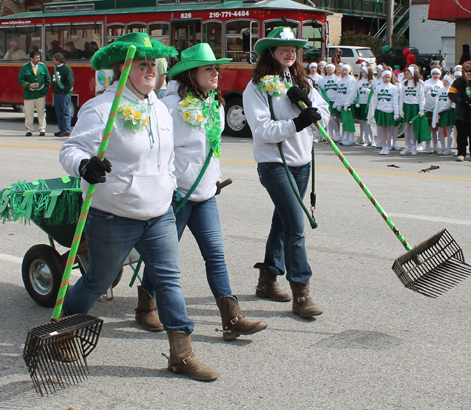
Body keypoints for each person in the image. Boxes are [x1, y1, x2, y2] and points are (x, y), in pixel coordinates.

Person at [59, 32, 219, 382]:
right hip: (114, 215)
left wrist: (172, 187)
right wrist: (85, 166)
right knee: (98, 280)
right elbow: (70, 150)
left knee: (169, 280)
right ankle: (65, 327)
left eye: (153, 64)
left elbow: (169, 158)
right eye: (141, 64)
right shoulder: (101, 107)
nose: (149, 70)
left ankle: (182, 353)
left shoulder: (159, 106)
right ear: (122, 68)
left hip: (159, 213)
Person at [137, 43, 267, 340]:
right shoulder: (170, 108)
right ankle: (145, 307)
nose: (216, 73)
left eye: (216, 67)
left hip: (205, 195)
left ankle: (232, 319)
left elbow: (212, 150)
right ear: (191, 74)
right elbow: (159, 153)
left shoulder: (216, 105)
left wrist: (213, 179)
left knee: (216, 256)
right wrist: (170, 186)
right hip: (178, 197)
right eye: (209, 68)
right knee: (164, 260)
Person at [242, 27, 330, 318]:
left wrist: (311, 109)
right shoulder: (255, 88)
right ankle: (301, 292)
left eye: (293, 48)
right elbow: (263, 130)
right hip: (274, 164)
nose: (290, 52)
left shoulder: (303, 81)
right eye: (283, 47)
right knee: (296, 227)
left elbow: (324, 111)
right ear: (271, 52)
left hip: (302, 163)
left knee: (282, 223)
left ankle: (267, 278)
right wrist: (298, 122)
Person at [17, 51, 51, 136]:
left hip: (40, 93)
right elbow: (20, 80)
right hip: (29, 93)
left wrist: (44, 91)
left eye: (39, 58)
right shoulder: (25, 67)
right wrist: (29, 85)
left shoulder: (43, 67)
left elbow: (48, 80)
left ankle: (42, 129)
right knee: (29, 113)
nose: (38, 60)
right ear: (31, 58)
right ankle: (29, 130)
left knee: (41, 112)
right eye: (36, 58)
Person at [368, 70, 399, 155]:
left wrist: (396, 113)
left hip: (389, 111)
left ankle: (388, 146)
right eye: (385, 77)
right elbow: (375, 100)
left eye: (388, 77)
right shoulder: (378, 87)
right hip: (380, 110)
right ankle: (383, 146)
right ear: (382, 78)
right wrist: (373, 111)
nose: (387, 79)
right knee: (382, 130)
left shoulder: (393, 88)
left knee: (388, 130)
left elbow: (395, 101)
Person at [448, 61, 471, 161]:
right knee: (461, 135)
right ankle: (461, 153)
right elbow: (451, 94)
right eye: (466, 70)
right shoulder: (459, 81)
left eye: (470, 70)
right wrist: (460, 101)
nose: (468, 73)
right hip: (461, 112)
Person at [399, 65, 426, 156]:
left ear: (413, 74)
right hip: (407, 107)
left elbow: (422, 98)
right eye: (406, 73)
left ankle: (414, 147)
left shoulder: (419, 84)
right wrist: (401, 109)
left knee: (414, 128)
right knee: (406, 128)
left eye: (408, 73)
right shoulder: (404, 84)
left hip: (415, 107)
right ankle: (407, 147)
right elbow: (401, 97)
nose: (406, 75)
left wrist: (421, 109)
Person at [333, 64, 358, 145]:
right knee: (345, 122)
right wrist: (338, 103)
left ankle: (351, 139)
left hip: (349, 105)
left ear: (349, 71)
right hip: (343, 105)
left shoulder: (351, 80)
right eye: (343, 70)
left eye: (346, 70)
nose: (344, 72)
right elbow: (339, 93)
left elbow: (351, 93)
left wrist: (347, 103)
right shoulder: (341, 81)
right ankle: (346, 137)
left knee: (349, 122)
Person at [52, 53, 74, 137]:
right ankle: (61, 129)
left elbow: (70, 81)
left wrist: (65, 91)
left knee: (66, 112)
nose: (52, 61)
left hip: (63, 93)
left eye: (54, 59)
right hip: (57, 93)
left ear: (58, 60)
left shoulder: (66, 69)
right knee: (59, 112)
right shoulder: (54, 68)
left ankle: (66, 130)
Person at [432, 74, 455, 155]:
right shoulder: (440, 90)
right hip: (439, 112)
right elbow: (437, 101)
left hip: (447, 112)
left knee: (449, 131)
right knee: (440, 131)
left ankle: (449, 148)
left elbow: (448, 103)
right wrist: (436, 110)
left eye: (447, 81)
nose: (445, 82)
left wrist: (440, 110)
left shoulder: (451, 90)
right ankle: (443, 147)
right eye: (444, 80)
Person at [318, 63, 341, 141]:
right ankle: (331, 135)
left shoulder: (337, 79)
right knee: (330, 119)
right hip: (327, 101)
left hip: (335, 101)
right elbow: (321, 91)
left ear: (334, 70)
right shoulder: (323, 80)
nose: (330, 72)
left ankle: (337, 134)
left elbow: (339, 91)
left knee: (336, 119)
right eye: (328, 70)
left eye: (331, 70)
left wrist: (338, 101)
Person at [423, 68, 443, 153]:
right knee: (428, 129)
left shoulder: (441, 83)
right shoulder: (427, 82)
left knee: (435, 129)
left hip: (436, 109)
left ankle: (435, 147)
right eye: (434, 73)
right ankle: (427, 146)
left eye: (437, 74)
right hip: (427, 108)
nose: (435, 75)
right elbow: (422, 92)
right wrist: (427, 88)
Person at [355, 66, 374, 146]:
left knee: (368, 122)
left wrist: (367, 91)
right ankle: (364, 139)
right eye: (361, 72)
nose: (362, 74)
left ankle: (371, 140)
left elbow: (373, 91)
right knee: (362, 122)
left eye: (364, 72)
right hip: (361, 102)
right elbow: (357, 91)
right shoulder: (359, 81)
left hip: (368, 103)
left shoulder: (372, 80)